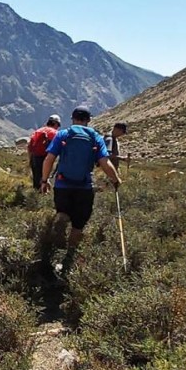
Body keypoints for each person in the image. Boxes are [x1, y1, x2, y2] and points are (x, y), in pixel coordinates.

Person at [40, 106, 121, 277]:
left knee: (63, 211)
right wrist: (115, 179)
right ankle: (69, 256)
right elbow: (105, 163)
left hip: (62, 185)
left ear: (73, 118)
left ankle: (62, 217)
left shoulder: (63, 134)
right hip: (84, 187)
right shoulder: (95, 137)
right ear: (88, 120)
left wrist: (44, 180)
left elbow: (49, 159)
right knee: (79, 224)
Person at [27, 114, 61, 189]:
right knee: (46, 181)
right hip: (47, 159)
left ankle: (35, 197)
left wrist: (31, 160)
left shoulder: (37, 131)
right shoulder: (55, 133)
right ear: (56, 124)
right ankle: (46, 198)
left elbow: (29, 146)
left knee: (37, 182)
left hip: (35, 158)